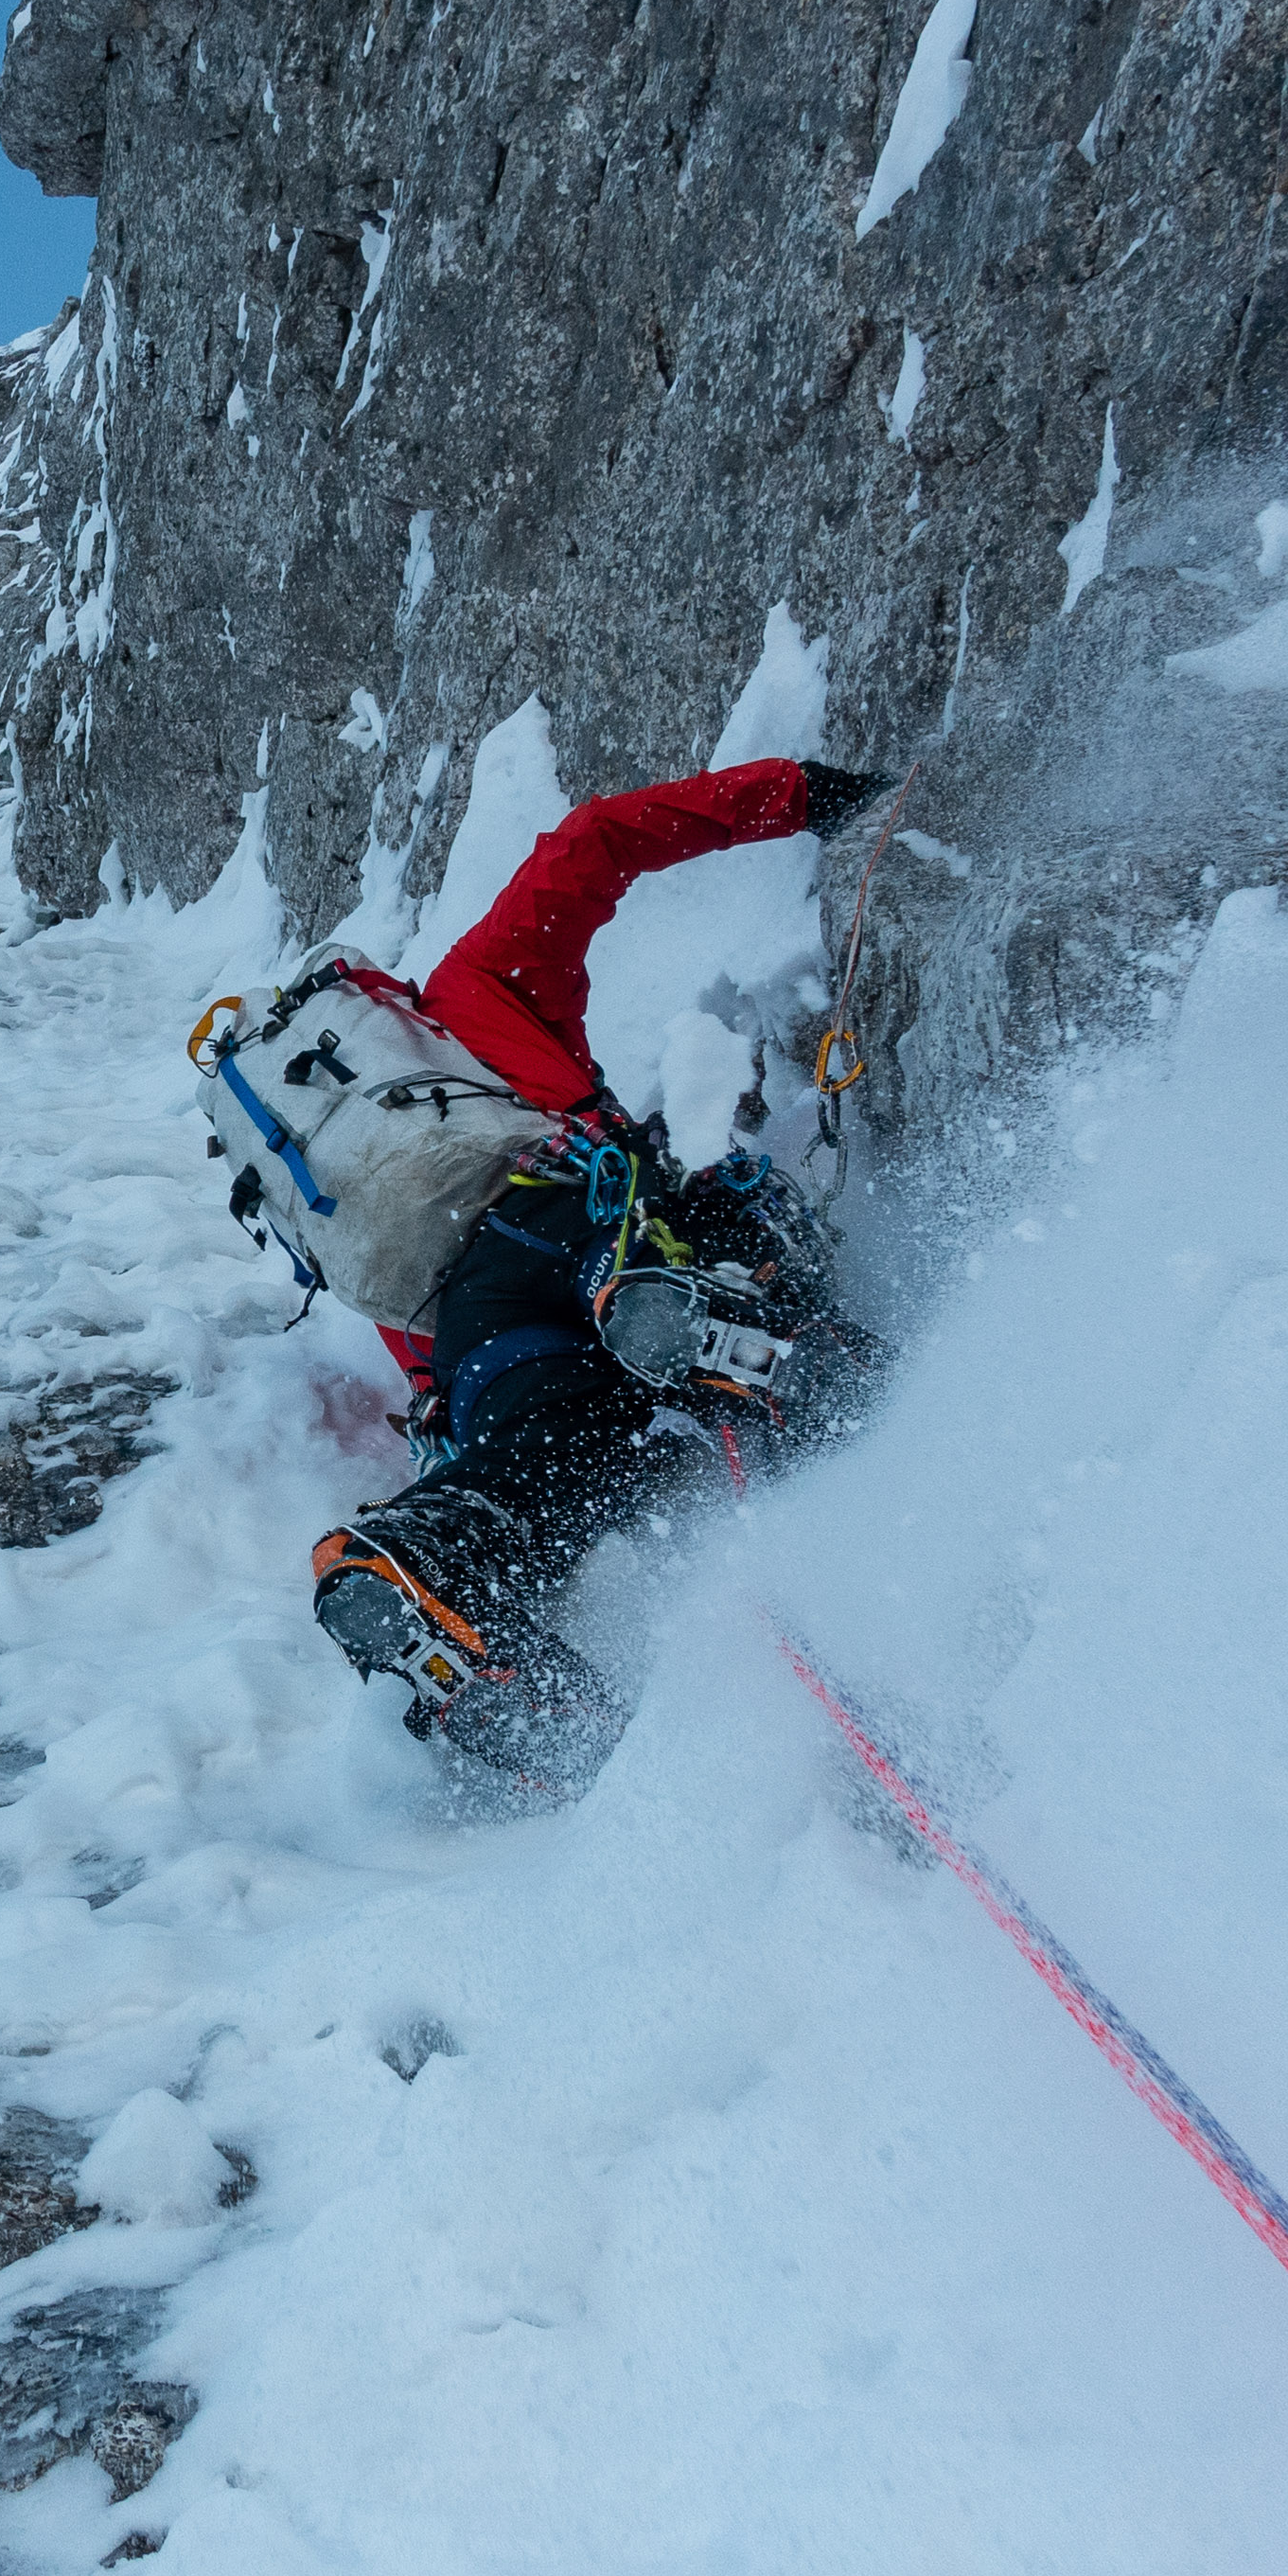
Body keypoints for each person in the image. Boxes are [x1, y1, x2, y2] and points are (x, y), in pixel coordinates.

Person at [309, 755, 893, 1798]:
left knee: (548, 1458)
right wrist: (800, 792)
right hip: (578, 1208)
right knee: (721, 1213)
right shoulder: (475, 986)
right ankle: (718, 1325)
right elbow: (594, 840)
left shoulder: (332, 1174)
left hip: (471, 1322)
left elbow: (405, 1332)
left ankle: (435, 1547)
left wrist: (452, 1409)